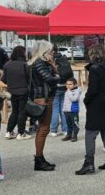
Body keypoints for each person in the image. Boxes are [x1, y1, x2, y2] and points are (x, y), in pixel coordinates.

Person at [76, 44, 105, 175]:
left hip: (96, 103)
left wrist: (86, 99)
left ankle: (89, 163)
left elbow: (93, 88)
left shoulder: (95, 68)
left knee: (90, 133)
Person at [28, 41, 60, 170]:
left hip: (43, 97)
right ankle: (39, 160)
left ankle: (40, 159)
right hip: (43, 98)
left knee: (43, 129)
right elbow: (50, 79)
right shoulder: (40, 62)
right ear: (44, 50)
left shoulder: (39, 62)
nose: (53, 52)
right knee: (43, 130)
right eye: (51, 50)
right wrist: (57, 74)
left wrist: (53, 67)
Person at [2, 45, 30, 139]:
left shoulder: (7, 64)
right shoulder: (25, 64)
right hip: (23, 90)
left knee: (14, 111)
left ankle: (9, 131)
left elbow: (4, 79)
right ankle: (21, 133)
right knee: (22, 112)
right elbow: (29, 78)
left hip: (12, 91)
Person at [49, 49, 75, 137]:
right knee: (63, 109)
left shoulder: (54, 63)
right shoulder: (65, 62)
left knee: (55, 109)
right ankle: (65, 129)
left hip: (56, 88)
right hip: (65, 88)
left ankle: (53, 130)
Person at [61, 78, 81, 142]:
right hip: (66, 111)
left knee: (75, 124)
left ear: (75, 85)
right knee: (68, 124)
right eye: (67, 84)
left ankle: (75, 136)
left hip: (73, 111)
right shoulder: (67, 91)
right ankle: (69, 135)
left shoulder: (77, 91)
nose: (68, 85)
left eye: (70, 84)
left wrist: (69, 91)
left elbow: (73, 99)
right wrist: (64, 109)